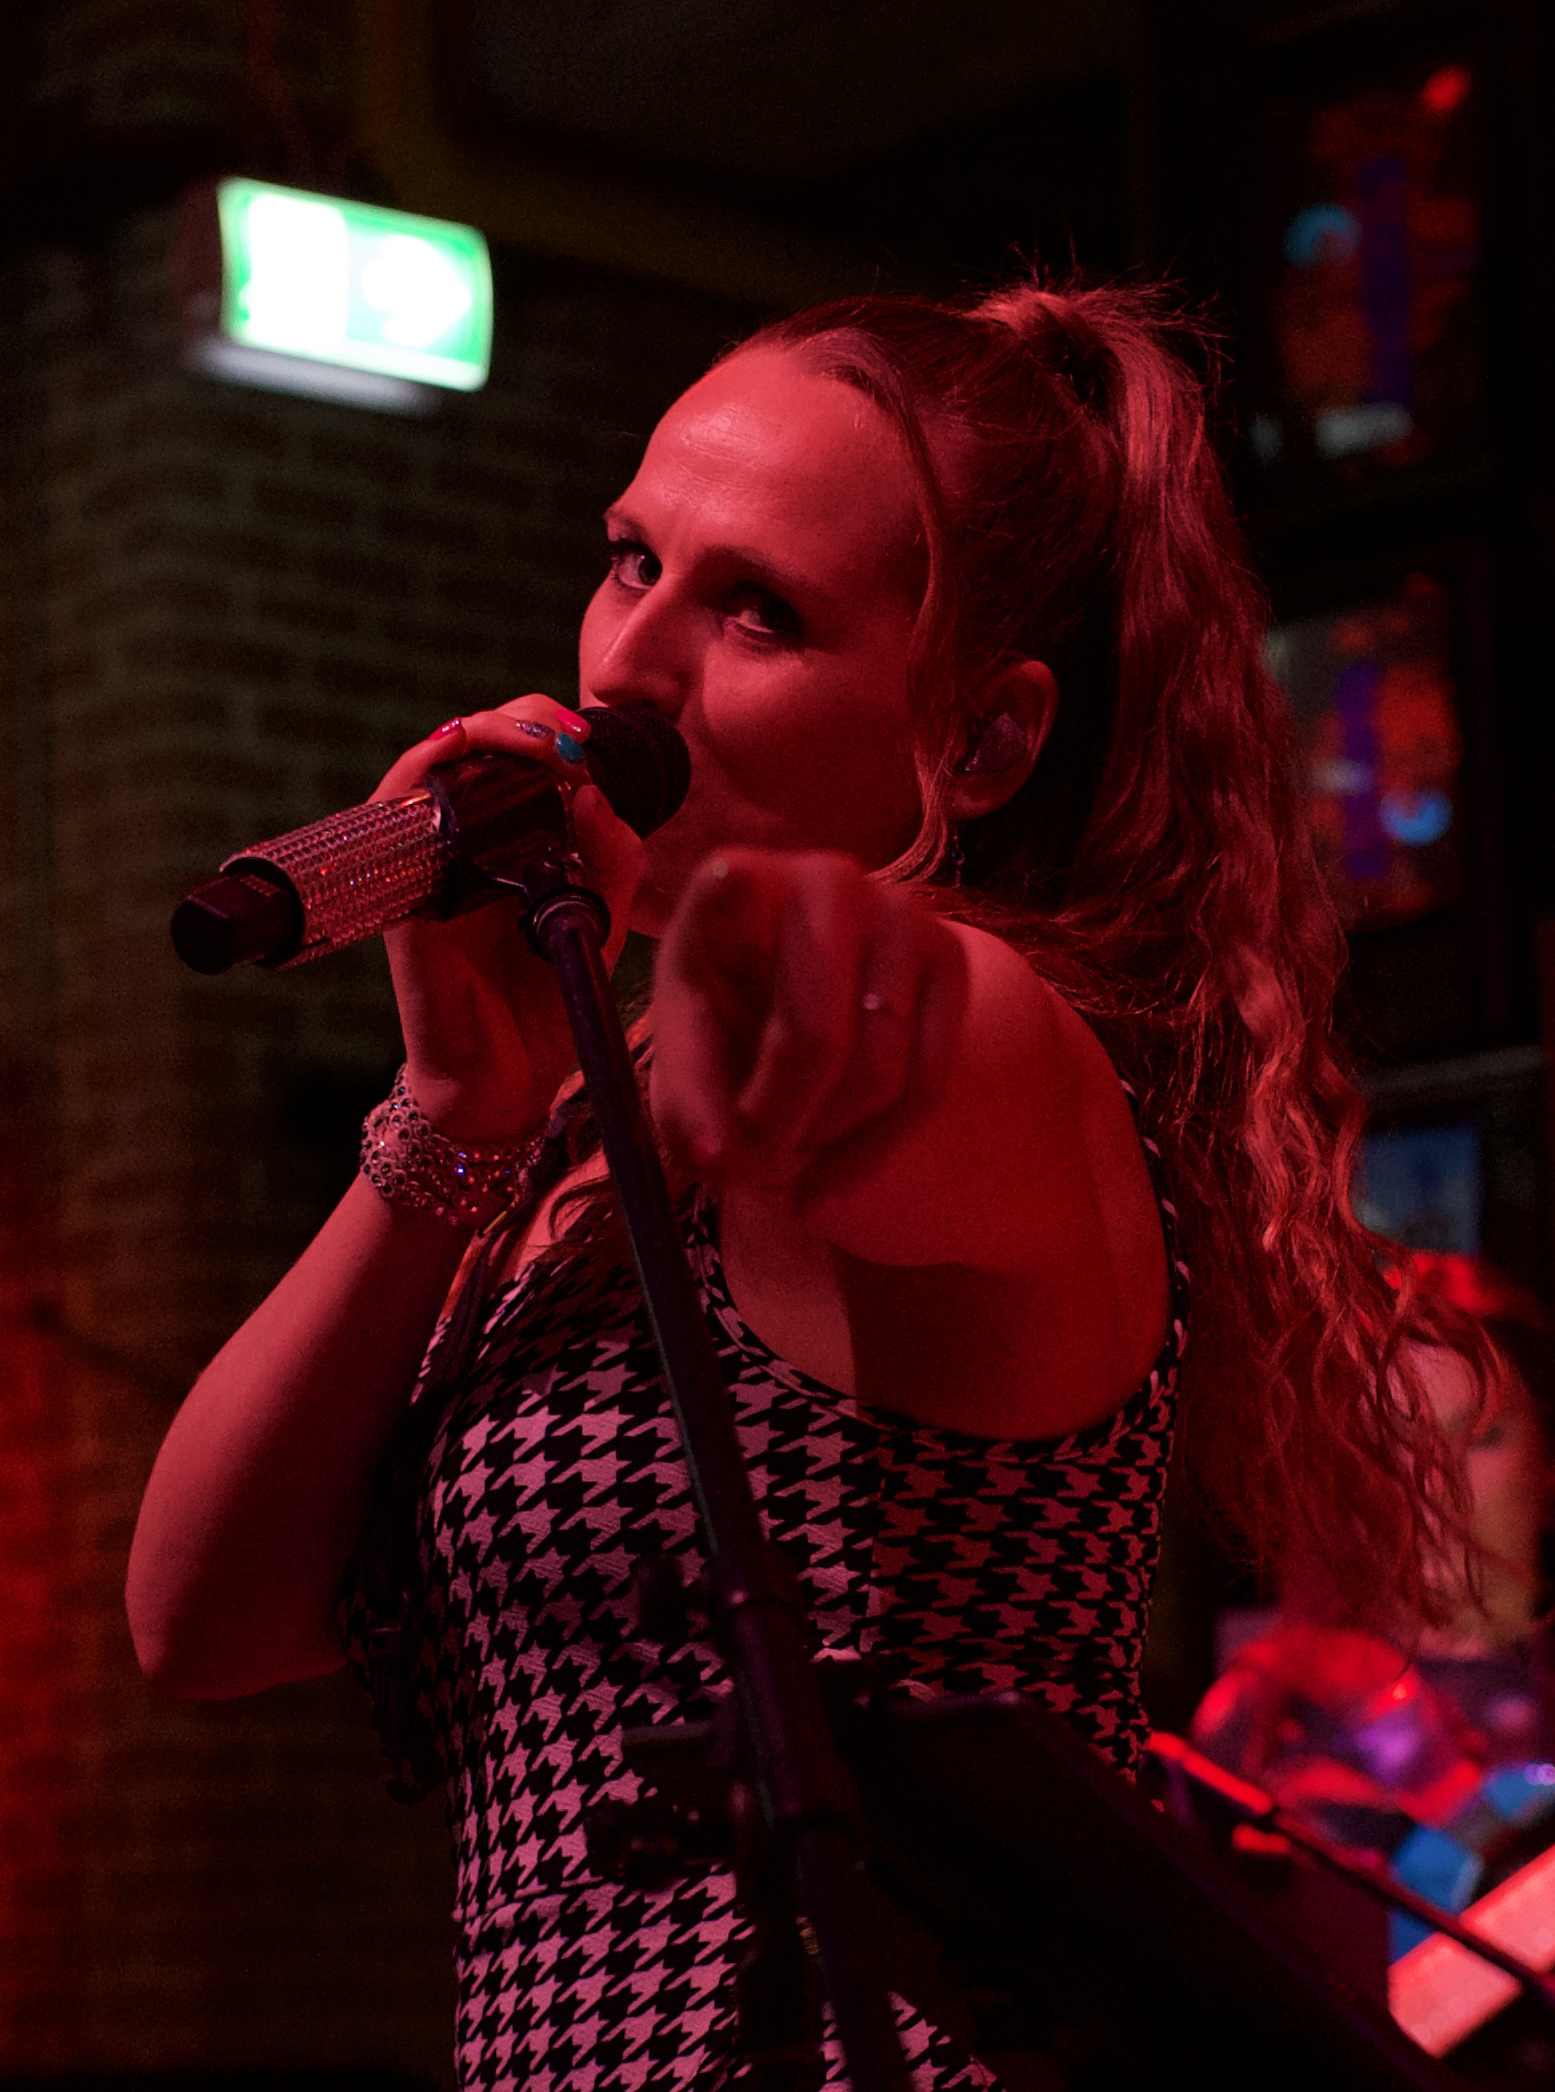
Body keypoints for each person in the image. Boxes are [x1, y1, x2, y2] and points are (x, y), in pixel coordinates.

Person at [126, 277, 1474, 2089]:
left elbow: (889, 1020)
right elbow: (202, 1620)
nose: (628, 666)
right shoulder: (571, 1124)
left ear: (979, 742)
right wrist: (455, 1105)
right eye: (630, 561)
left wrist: (782, 943)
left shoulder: (1012, 1046)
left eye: (757, 610)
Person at [1190, 1255, 1555, 1961]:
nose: (1432, 1483)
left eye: (1477, 1436)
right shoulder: (1262, 1711)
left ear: (1545, 1460)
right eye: (1389, 1443)